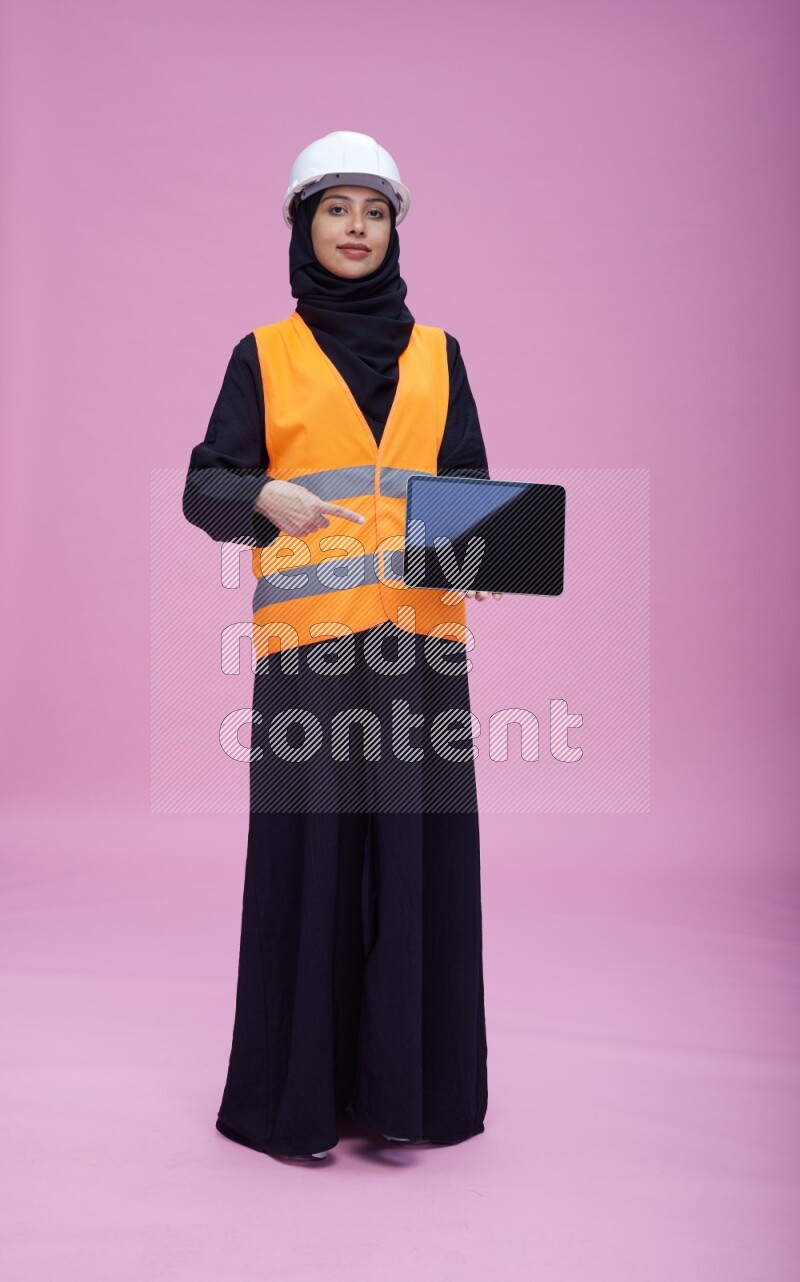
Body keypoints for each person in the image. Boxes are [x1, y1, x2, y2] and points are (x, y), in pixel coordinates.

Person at [182, 130, 501, 1163]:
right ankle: (296, 1099)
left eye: (373, 211)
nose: (355, 228)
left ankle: (407, 1094)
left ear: (395, 228)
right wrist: (255, 495)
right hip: (312, 652)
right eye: (335, 209)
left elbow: (469, 493)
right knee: (311, 862)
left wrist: (484, 550)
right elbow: (205, 484)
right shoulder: (261, 354)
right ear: (301, 226)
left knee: (414, 865)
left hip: (418, 650)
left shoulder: (439, 353)